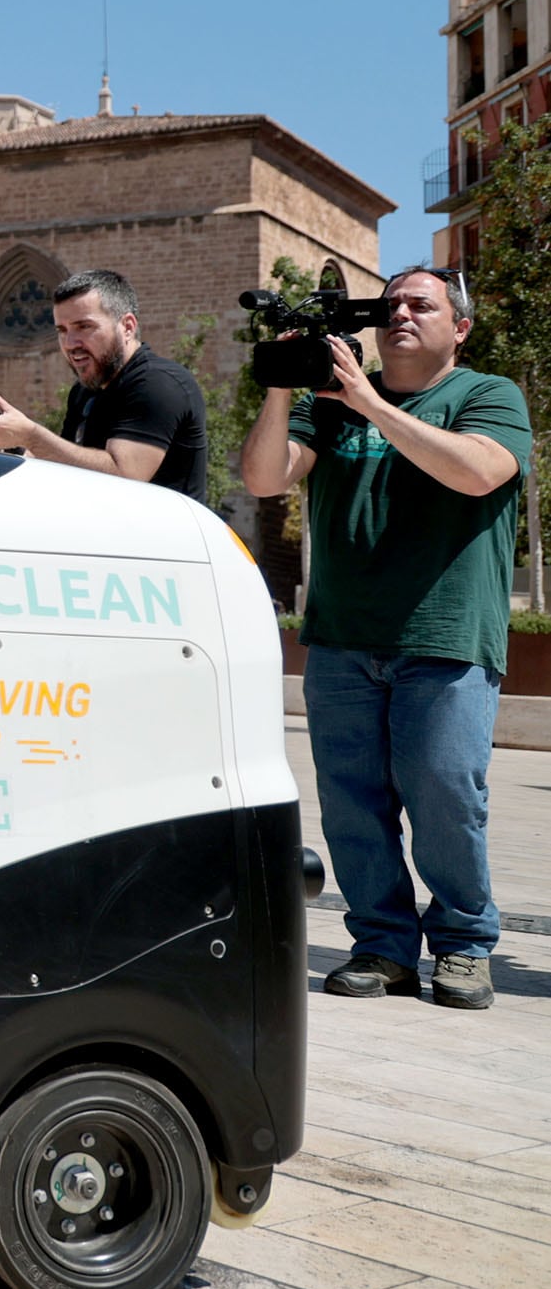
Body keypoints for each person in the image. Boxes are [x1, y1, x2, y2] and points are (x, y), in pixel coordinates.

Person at [240, 266, 532, 1012]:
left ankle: (464, 945)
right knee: (350, 803)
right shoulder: (325, 405)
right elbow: (265, 478)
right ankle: (381, 946)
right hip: (341, 637)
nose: (399, 312)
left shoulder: (484, 395)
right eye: (391, 303)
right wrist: (282, 381)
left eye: (420, 303)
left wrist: (369, 403)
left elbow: (476, 474)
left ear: (458, 326)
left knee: (442, 792)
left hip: (444, 635)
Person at [0, 270, 210, 499]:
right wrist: (17, 445)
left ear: (127, 327)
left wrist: (31, 435)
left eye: (84, 327)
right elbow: (69, 467)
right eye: (62, 331)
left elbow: (123, 477)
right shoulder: (84, 391)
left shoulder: (158, 383)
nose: (70, 343)